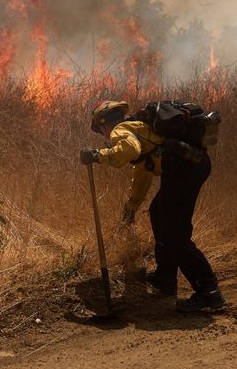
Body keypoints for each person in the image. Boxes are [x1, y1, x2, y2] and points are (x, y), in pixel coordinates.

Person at [80, 100, 225, 312]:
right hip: (187, 169)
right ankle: (165, 278)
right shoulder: (138, 128)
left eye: (100, 130)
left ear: (103, 124)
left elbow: (128, 151)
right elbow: (143, 172)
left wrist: (97, 155)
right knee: (158, 213)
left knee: (175, 235)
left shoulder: (121, 130)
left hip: (186, 172)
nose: (104, 136)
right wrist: (132, 207)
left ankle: (209, 293)